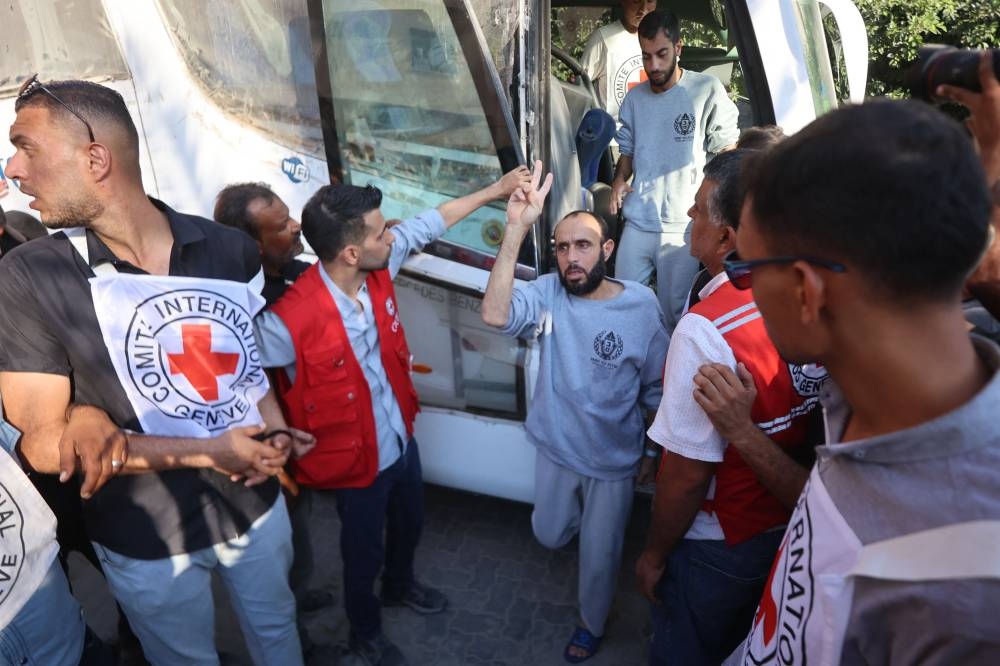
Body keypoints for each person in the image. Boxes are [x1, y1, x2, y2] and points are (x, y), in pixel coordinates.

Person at [0, 77, 311, 665]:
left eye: (26, 146)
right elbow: (42, 446)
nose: (13, 168)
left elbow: (246, 371)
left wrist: (272, 431)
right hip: (142, 537)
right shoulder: (28, 277)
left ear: (96, 158)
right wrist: (209, 450)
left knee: (279, 636)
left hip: (254, 504)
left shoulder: (229, 250)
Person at [722, 99, 1000, 664]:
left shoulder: (965, 598)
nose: (742, 289)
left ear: (806, 291)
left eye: (745, 267)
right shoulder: (861, 389)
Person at [255, 166, 531, 666]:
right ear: (351, 253)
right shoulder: (286, 321)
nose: (394, 234)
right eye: (382, 230)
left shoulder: (378, 262)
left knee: (410, 523)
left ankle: (399, 587)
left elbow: (433, 221)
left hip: (399, 439)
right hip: (352, 463)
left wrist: (497, 189)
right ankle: (366, 632)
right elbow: (246, 375)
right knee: (362, 554)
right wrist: (274, 427)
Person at [634, 150, 823, 665]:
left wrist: (653, 554)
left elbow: (686, 476)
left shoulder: (705, 328)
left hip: (718, 542)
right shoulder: (810, 297)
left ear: (726, 237)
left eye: (698, 209)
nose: (690, 218)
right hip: (786, 531)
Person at [482, 163, 669, 663]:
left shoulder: (641, 306)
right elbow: (496, 315)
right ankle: (590, 528)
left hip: (612, 462)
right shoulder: (549, 292)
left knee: (600, 559)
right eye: (563, 247)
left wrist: (652, 450)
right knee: (548, 532)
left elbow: (657, 387)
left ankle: (590, 624)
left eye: (583, 245)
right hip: (557, 447)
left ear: (608, 250)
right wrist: (517, 229)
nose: (571, 258)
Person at [611, 9, 739, 333]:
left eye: (662, 54)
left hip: (682, 225)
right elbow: (626, 151)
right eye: (646, 56)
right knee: (622, 304)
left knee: (673, 316)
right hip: (638, 218)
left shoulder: (706, 89)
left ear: (678, 47)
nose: (653, 65)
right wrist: (617, 182)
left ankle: (667, 379)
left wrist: (717, 208)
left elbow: (727, 151)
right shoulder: (634, 99)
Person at [579, 0, 658, 153]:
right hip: (613, 144)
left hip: (653, 142)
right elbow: (581, 88)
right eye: (636, 1)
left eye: (649, 1)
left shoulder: (662, 39)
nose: (643, 9)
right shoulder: (603, 38)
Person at [214, 182, 310, 307]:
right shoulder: (246, 304)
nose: (297, 226)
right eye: (283, 226)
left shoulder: (305, 272)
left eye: (289, 216)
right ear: (253, 246)